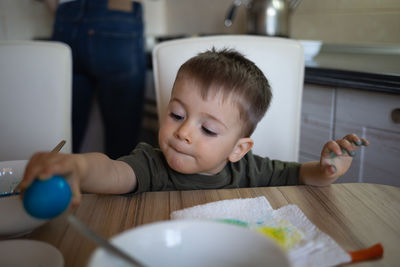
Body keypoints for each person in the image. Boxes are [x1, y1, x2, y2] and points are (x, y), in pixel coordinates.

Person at [18, 48, 369, 206]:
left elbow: (298, 176)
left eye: (209, 130)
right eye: (176, 114)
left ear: (238, 149)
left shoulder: (249, 169)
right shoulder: (154, 165)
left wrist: (325, 170)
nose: (184, 132)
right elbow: (111, 171)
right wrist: (78, 166)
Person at [44, 0, 146, 159]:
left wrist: (62, 11)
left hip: (66, 18)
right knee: (122, 140)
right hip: (115, 15)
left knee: (64, 135)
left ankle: (59, 182)